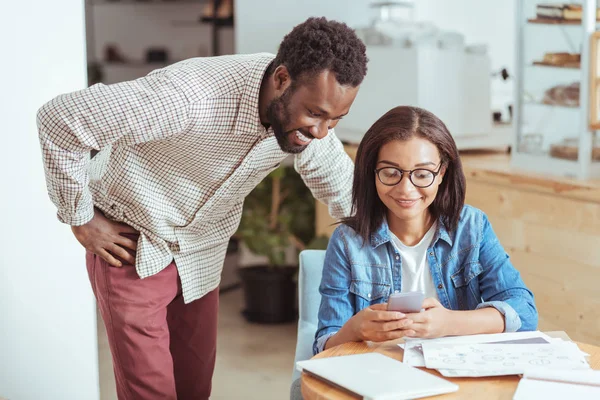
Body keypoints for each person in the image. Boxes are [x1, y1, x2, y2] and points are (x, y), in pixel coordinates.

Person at [37, 17, 367, 400]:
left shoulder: (305, 117)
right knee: (152, 393)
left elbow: (343, 186)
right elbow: (60, 118)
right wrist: (80, 218)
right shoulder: (189, 95)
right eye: (315, 114)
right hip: (133, 243)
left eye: (335, 119)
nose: (322, 132)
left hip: (202, 253)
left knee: (195, 390)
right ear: (281, 79)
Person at [314, 106, 538, 355]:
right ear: (372, 172)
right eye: (390, 173)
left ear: (442, 172)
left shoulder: (471, 227)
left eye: (422, 174)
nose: (406, 189)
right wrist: (355, 328)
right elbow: (324, 346)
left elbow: (524, 312)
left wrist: (449, 323)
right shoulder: (347, 242)